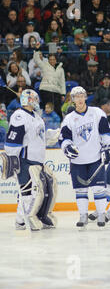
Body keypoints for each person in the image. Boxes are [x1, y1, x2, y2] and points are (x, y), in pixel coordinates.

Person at [2, 89, 58, 231]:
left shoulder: (37, 116)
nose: (37, 101)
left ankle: (37, 217)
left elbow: (40, 137)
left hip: (37, 160)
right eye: (35, 98)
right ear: (28, 100)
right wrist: (13, 159)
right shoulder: (20, 116)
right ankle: (20, 221)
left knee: (41, 192)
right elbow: (12, 140)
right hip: (25, 160)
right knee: (27, 192)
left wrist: (51, 135)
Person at [59, 86, 110, 229]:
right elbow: (64, 138)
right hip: (78, 161)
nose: (79, 99)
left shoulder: (97, 113)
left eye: (81, 96)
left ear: (85, 97)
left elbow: (106, 133)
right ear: (72, 100)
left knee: (98, 188)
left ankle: (101, 214)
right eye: (76, 96)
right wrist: (67, 147)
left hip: (95, 158)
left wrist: (108, 147)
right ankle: (83, 215)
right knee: (80, 190)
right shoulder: (69, 119)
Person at [32, 42, 65, 117]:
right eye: (50, 59)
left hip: (56, 91)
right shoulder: (44, 65)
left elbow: (62, 81)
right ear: (48, 60)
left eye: (53, 59)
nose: (52, 61)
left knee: (57, 109)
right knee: (46, 108)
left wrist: (63, 93)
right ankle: (45, 124)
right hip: (45, 90)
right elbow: (37, 59)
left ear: (56, 60)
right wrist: (37, 49)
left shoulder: (61, 69)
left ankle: (59, 124)